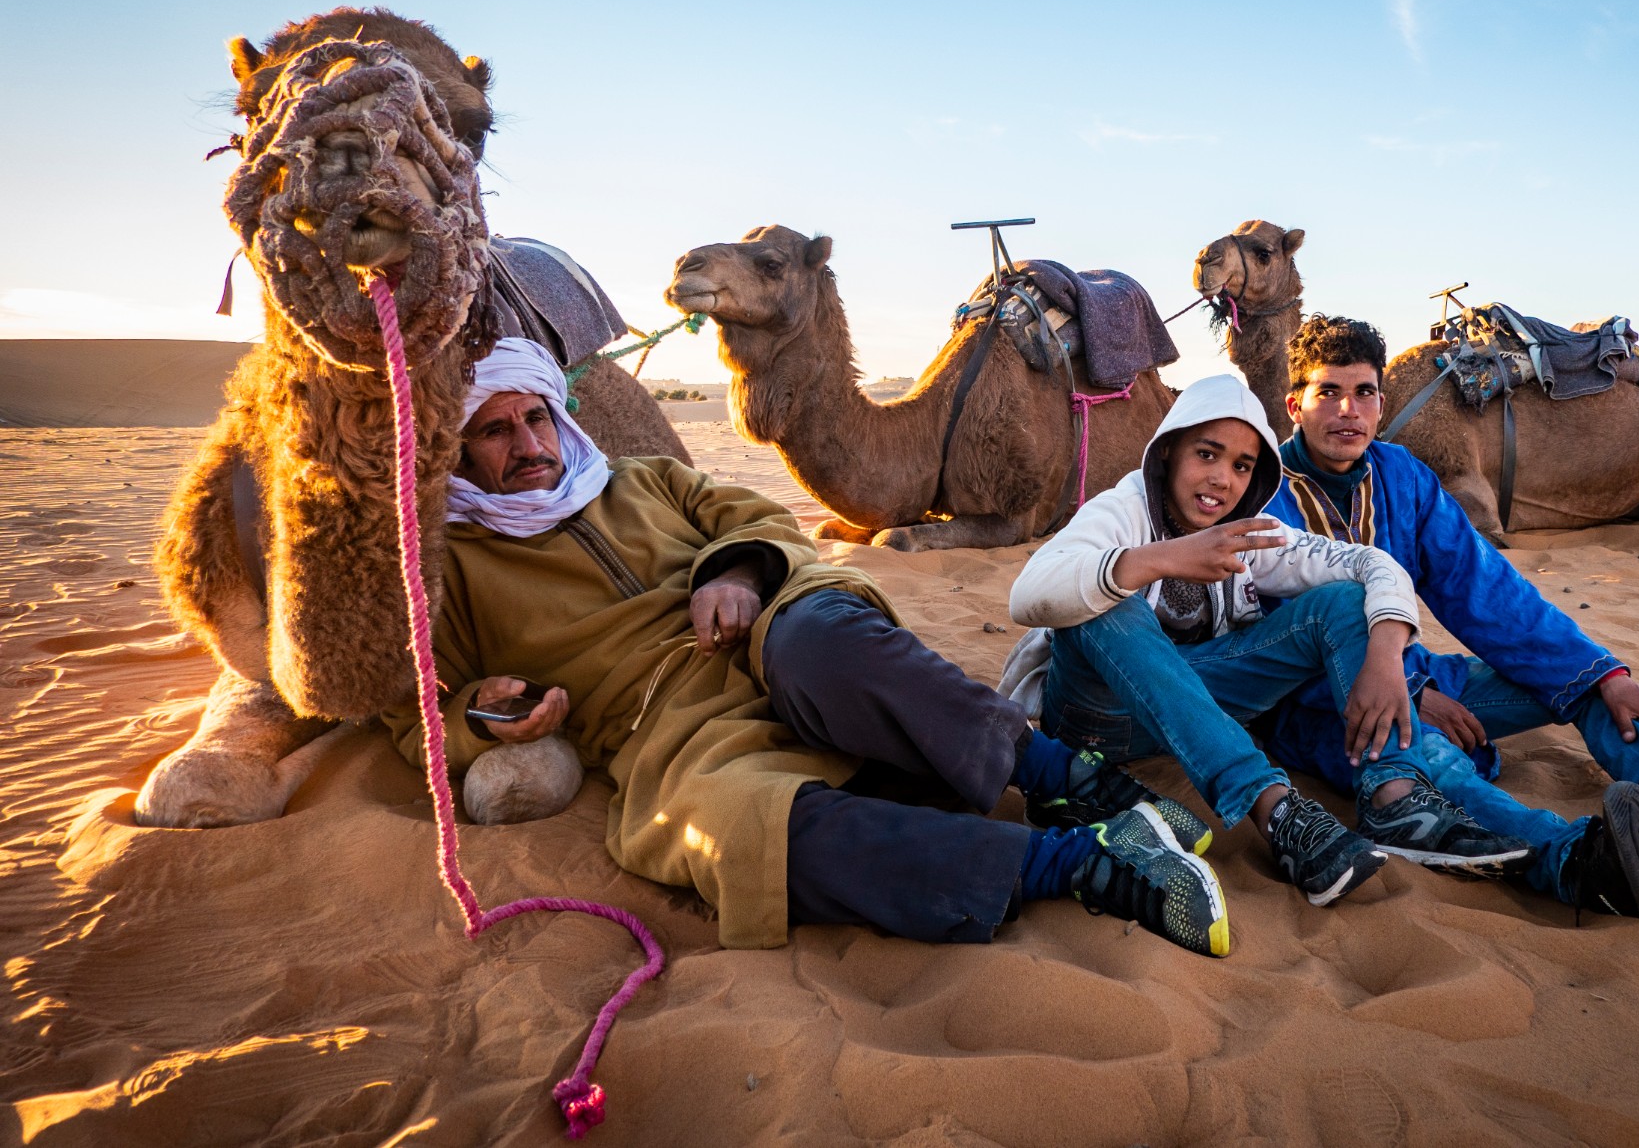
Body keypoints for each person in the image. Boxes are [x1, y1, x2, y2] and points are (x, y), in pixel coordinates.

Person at [383, 338, 1230, 958]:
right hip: (675, 734)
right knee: (740, 832)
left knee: (821, 641)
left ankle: (1065, 778)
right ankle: (1088, 863)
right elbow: (417, 712)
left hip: (774, 635)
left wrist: (741, 573)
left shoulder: (642, 478)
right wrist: (487, 720)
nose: (529, 445)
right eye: (494, 432)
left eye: (535, 417)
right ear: (455, 449)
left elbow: (759, 521)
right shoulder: (453, 566)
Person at [1259, 313, 1639, 918]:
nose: (1349, 411)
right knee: (1425, 752)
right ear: (1295, 405)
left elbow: (1489, 593)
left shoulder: (1404, 478)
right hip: (1319, 709)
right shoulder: (1264, 495)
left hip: (1418, 676)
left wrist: (1604, 673)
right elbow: (1268, 640)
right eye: (1329, 393)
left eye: (1364, 393)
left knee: (1579, 684)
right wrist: (1413, 697)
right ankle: (1568, 858)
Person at [1003, 374, 1531, 910]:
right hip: (1096, 717)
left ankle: (1394, 797)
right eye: (1206, 454)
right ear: (1168, 455)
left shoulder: (1247, 532)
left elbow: (1373, 564)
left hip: (1186, 715)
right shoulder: (1124, 509)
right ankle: (1275, 809)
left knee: (1344, 601)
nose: (1221, 480)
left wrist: (1388, 652)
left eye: (1241, 466)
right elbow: (1028, 594)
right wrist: (1161, 559)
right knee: (1110, 602)